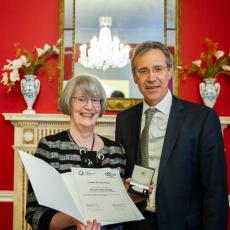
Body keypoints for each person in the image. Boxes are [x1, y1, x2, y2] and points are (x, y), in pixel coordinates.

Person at [115, 41, 228, 230]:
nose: (151, 78)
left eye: (158, 69)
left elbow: (215, 189)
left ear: (169, 72)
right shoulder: (125, 119)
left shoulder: (202, 119)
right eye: (143, 71)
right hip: (135, 223)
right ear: (135, 77)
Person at [25, 74, 126, 230]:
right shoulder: (50, 147)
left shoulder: (115, 151)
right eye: (81, 99)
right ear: (69, 103)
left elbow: (121, 214)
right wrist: (74, 220)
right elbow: (34, 213)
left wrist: (128, 196)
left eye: (95, 100)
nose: (89, 106)